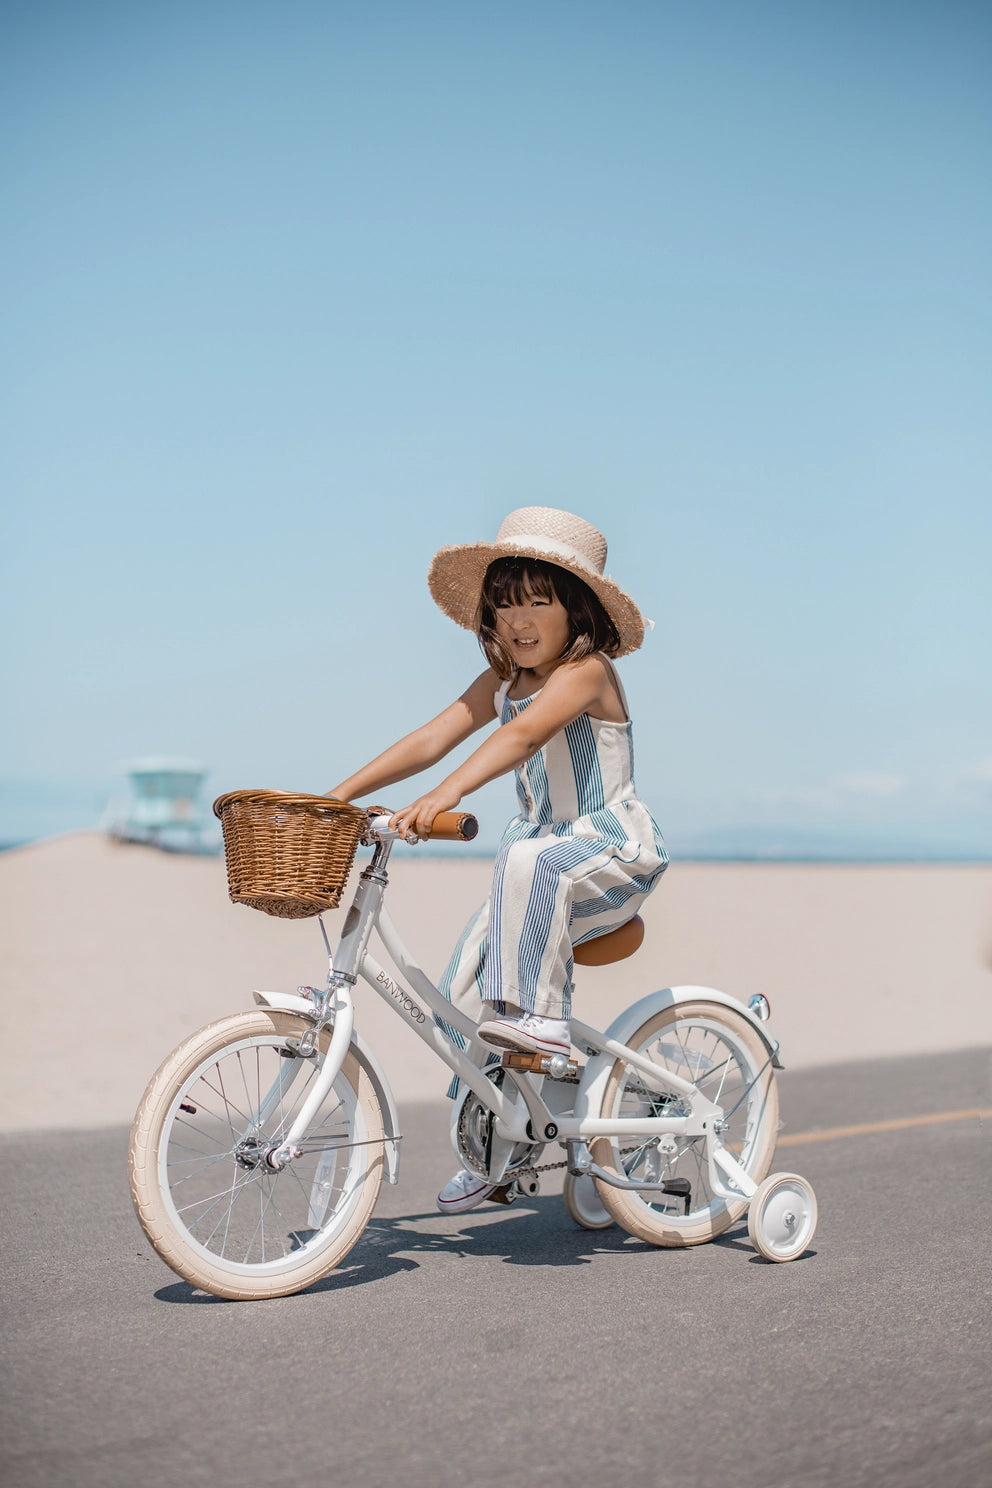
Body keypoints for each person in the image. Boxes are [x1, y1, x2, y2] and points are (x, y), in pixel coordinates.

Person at [328, 506, 668, 1214]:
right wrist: (338, 796)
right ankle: (498, 1148)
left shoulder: (587, 672)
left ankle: (543, 1025)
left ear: (576, 609)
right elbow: (433, 737)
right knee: (465, 992)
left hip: (607, 848)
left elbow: (521, 740)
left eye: (538, 602)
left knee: (531, 865)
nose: (518, 621)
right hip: (535, 863)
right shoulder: (503, 681)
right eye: (505, 605)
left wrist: (444, 796)